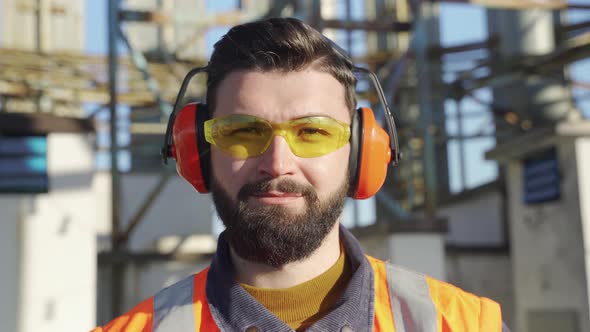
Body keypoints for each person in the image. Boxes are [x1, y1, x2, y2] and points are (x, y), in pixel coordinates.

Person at [92, 17, 508, 332]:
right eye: (243, 131)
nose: (277, 163)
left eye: (313, 132)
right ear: (198, 152)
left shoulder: (467, 324)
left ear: (361, 153)